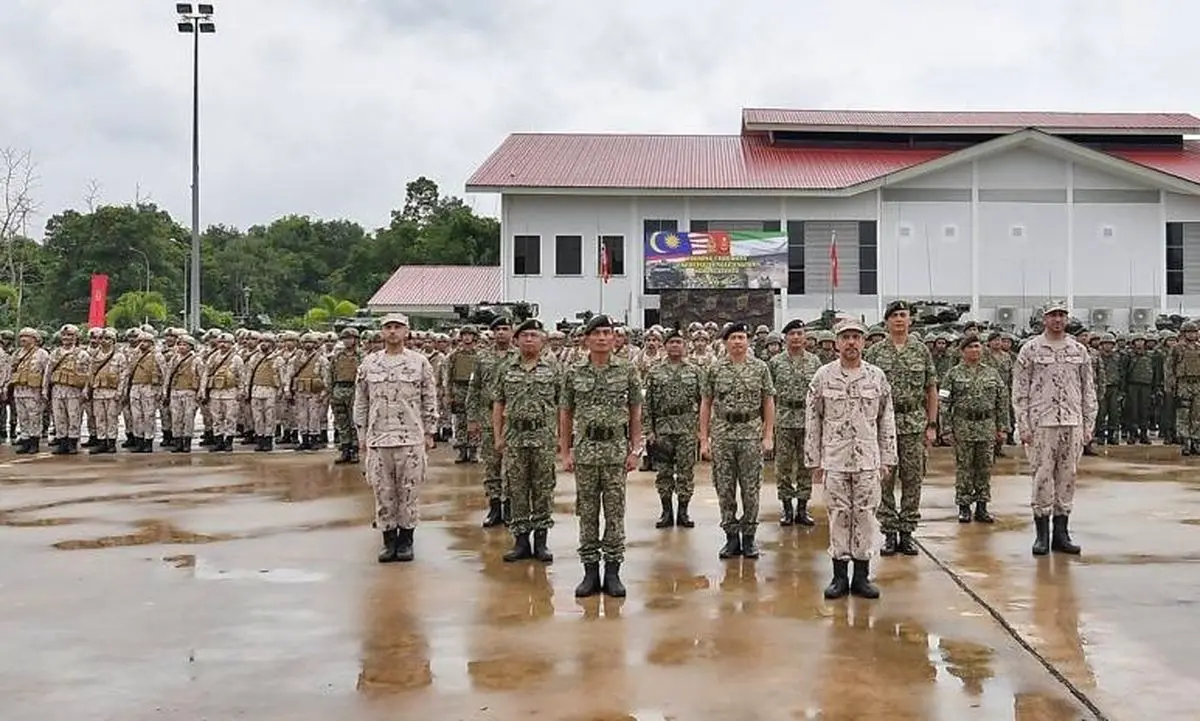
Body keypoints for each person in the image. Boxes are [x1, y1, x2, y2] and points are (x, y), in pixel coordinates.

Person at [805, 319, 897, 600]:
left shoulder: (876, 377)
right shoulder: (823, 376)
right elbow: (813, 418)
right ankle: (838, 576)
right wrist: (813, 460)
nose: (851, 342)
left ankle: (861, 576)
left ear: (864, 342)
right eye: (845, 337)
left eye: (856, 337)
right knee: (838, 515)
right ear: (836, 343)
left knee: (866, 515)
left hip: (868, 460)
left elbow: (886, 419)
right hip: (835, 459)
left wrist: (887, 457)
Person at [560, 314, 642, 598]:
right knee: (587, 512)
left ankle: (613, 571)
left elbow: (635, 412)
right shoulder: (573, 372)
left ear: (614, 337)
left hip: (616, 452)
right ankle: (590, 571)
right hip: (585, 451)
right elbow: (566, 413)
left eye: (608, 332)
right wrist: (565, 450)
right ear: (587, 339)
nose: (603, 338)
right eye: (597, 333)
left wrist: (635, 449)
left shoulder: (627, 370)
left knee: (615, 513)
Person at [1012, 302, 1097, 556]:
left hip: (1072, 422)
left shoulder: (1079, 350)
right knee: (1042, 476)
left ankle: (1062, 533)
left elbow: (1088, 389)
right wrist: (1023, 424)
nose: (1058, 320)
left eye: (1061, 315)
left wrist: (1088, 424)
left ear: (1067, 319)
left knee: (1068, 476)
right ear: (1044, 319)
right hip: (1042, 423)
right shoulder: (1030, 349)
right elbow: (1020, 390)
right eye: (1053, 316)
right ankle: (1042, 534)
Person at [354, 313, 438, 563]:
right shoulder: (369, 364)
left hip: (410, 437)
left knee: (409, 491)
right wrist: (360, 434)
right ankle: (388, 540)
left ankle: (406, 540)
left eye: (397, 327)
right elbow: (361, 400)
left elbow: (429, 397)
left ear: (407, 332)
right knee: (383, 491)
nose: (392, 332)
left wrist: (430, 431)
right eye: (388, 327)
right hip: (379, 439)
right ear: (381, 333)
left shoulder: (419, 362)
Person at [864, 300, 938, 556]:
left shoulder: (920, 351)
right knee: (885, 479)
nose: (898, 320)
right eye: (894, 315)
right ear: (886, 321)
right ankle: (889, 531)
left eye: (903, 315)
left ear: (910, 320)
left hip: (913, 423)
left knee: (912, 478)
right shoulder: (874, 353)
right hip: (882, 425)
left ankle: (907, 530)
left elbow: (931, 389)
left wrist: (931, 423)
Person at [699, 321, 776, 560]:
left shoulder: (760, 368)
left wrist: (768, 435)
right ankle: (731, 537)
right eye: (733, 338)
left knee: (751, 489)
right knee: (725, 488)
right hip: (723, 434)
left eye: (742, 337)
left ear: (748, 341)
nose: (738, 342)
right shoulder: (715, 369)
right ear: (725, 342)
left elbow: (768, 401)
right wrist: (704, 438)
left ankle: (750, 538)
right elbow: (706, 403)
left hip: (751, 434)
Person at [493, 318, 561, 563]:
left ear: (542, 340)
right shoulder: (506, 368)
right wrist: (498, 435)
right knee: (517, 490)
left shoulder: (553, 369)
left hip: (543, 437)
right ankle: (521, 541)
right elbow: (498, 403)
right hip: (515, 438)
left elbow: (563, 405)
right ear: (517, 340)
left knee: (543, 490)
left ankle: (541, 542)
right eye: (525, 335)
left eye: (534, 335)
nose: (529, 339)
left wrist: (562, 439)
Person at [941, 337, 1009, 523]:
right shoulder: (952, 374)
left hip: (986, 426)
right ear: (963, 351)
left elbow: (1002, 401)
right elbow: (944, 402)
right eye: (970, 347)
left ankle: (982, 506)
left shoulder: (992, 374)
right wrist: (946, 429)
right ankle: (964, 506)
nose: (974, 350)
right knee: (964, 468)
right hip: (963, 425)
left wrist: (1003, 427)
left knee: (984, 467)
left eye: (977, 346)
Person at [643, 328, 703, 529]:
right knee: (664, 473)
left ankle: (683, 512)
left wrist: (702, 431)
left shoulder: (694, 371)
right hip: (663, 429)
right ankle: (666, 512)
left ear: (685, 346)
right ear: (665, 346)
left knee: (686, 473)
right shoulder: (654, 371)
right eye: (671, 342)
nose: (675, 345)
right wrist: (649, 430)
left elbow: (703, 401)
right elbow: (647, 404)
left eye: (679, 342)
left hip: (686, 428)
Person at [768, 319, 823, 527]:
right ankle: (787, 508)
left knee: (805, 464)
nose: (796, 338)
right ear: (785, 338)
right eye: (792, 334)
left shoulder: (814, 362)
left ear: (805, 336)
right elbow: (768, 396)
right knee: (783, 466)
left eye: (800, 333)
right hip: (784, 418)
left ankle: (802, 507)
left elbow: (819, 393)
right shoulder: (776, 363)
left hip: (808, 419)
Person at [200, 332, 244, 452]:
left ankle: (228, 441)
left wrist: (241, 391)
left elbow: (241, 377)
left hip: (230, 392)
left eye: (226, 343)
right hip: (215, 392)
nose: (223, 345)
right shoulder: (212, 357)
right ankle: (218, 441)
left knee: (230, 418)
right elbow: (206, 375)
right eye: (221, 342)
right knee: (216, 418)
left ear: (231, 344)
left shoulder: (236, 359)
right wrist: (203, 391)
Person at [87, 328, 126, 455]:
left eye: (108, 339)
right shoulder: (95, 355)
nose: (104, 341)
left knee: (112, 418)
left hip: (112, 392)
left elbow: (123, 375)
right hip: (98, 391)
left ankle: (111, 442)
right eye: (102, 339)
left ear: (113, 341)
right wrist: (88, 389)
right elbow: (90, 373)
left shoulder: (119, 356)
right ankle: (101, 441)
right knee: (99, 418)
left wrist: (120, 392)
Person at [11, 328, 50, 454]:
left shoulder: (42, 354)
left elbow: (47, 373)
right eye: (21, 336)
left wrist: (45, 390)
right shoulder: (17, 353)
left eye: (27, 336)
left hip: (34, 391)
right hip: (19, 389)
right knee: (22, 417)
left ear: (34, 339)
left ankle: (34, 441)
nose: (23, 338)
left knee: (34, 417)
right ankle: (25, 440)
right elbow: (11, 371)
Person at [329, 327, 362, 463]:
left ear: (355, 340)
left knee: (354, 422)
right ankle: (344, 449)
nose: (347, 341)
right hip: (339, 389)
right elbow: (331, 374)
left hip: (355, 389)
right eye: (345, 339)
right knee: (341, 422)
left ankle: (355, 450)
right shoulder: (337, 356)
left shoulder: (361, 356)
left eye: (350, 338)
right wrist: (331, 391)